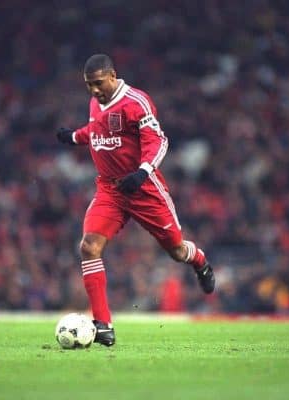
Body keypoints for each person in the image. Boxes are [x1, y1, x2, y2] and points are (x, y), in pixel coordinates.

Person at [56, 54, 215, 346]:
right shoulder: (95, 102)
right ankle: (103, 325)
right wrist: (75, 137)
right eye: (89, 85)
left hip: (143, 189)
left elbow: (159, 141)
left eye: (98, 83)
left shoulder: (136, 102)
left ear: (113, 76)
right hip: (110, 190)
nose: (93, 90)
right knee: (89, 247)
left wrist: (142, 173)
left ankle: (200, 261)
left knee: (177, 251)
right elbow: (97, 131)